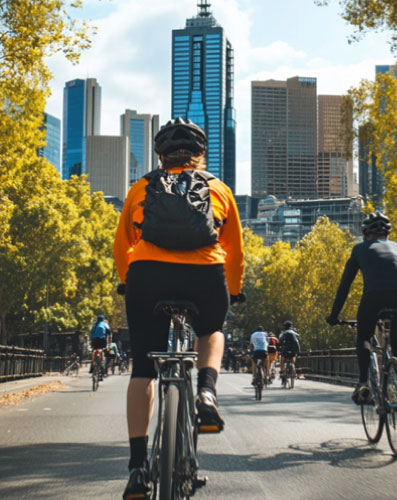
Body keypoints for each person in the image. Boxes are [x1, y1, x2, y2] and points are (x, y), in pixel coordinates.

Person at [113, 118, 245, 500]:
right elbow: (234, 250)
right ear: (199, 155)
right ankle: (206, 392)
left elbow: (123, 244)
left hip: (147, 277)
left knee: (142, 369)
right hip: (205, 275)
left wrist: (128, 280)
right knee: (211, 330)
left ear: (160, 155)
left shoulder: (141, 187)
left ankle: (138, 468)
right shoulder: (218, 188)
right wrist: (232, 291)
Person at [325, 211, 397, 405]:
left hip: (375, 295)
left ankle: (364, 384)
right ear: (388, 235)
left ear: (365, 234)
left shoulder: (360, 249)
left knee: (364, 337)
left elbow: (344, 286)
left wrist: (334, 315)